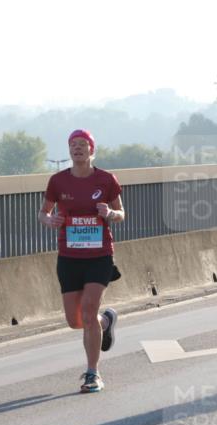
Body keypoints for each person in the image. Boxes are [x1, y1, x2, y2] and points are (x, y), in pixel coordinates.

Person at [40, 129, 123, 393]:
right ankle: (106, 321)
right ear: (69, 150)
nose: (77, 148)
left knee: (88, 313)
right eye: (73, 145)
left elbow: (121, 213)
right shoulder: (58, 181)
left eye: (82, 144)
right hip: (69, 256)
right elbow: (43, 213)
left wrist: (110, 212)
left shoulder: (106, 180)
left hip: (99, 256)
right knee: (75, 321)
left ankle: (93, 373)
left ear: (91, 149)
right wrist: (49, 220)